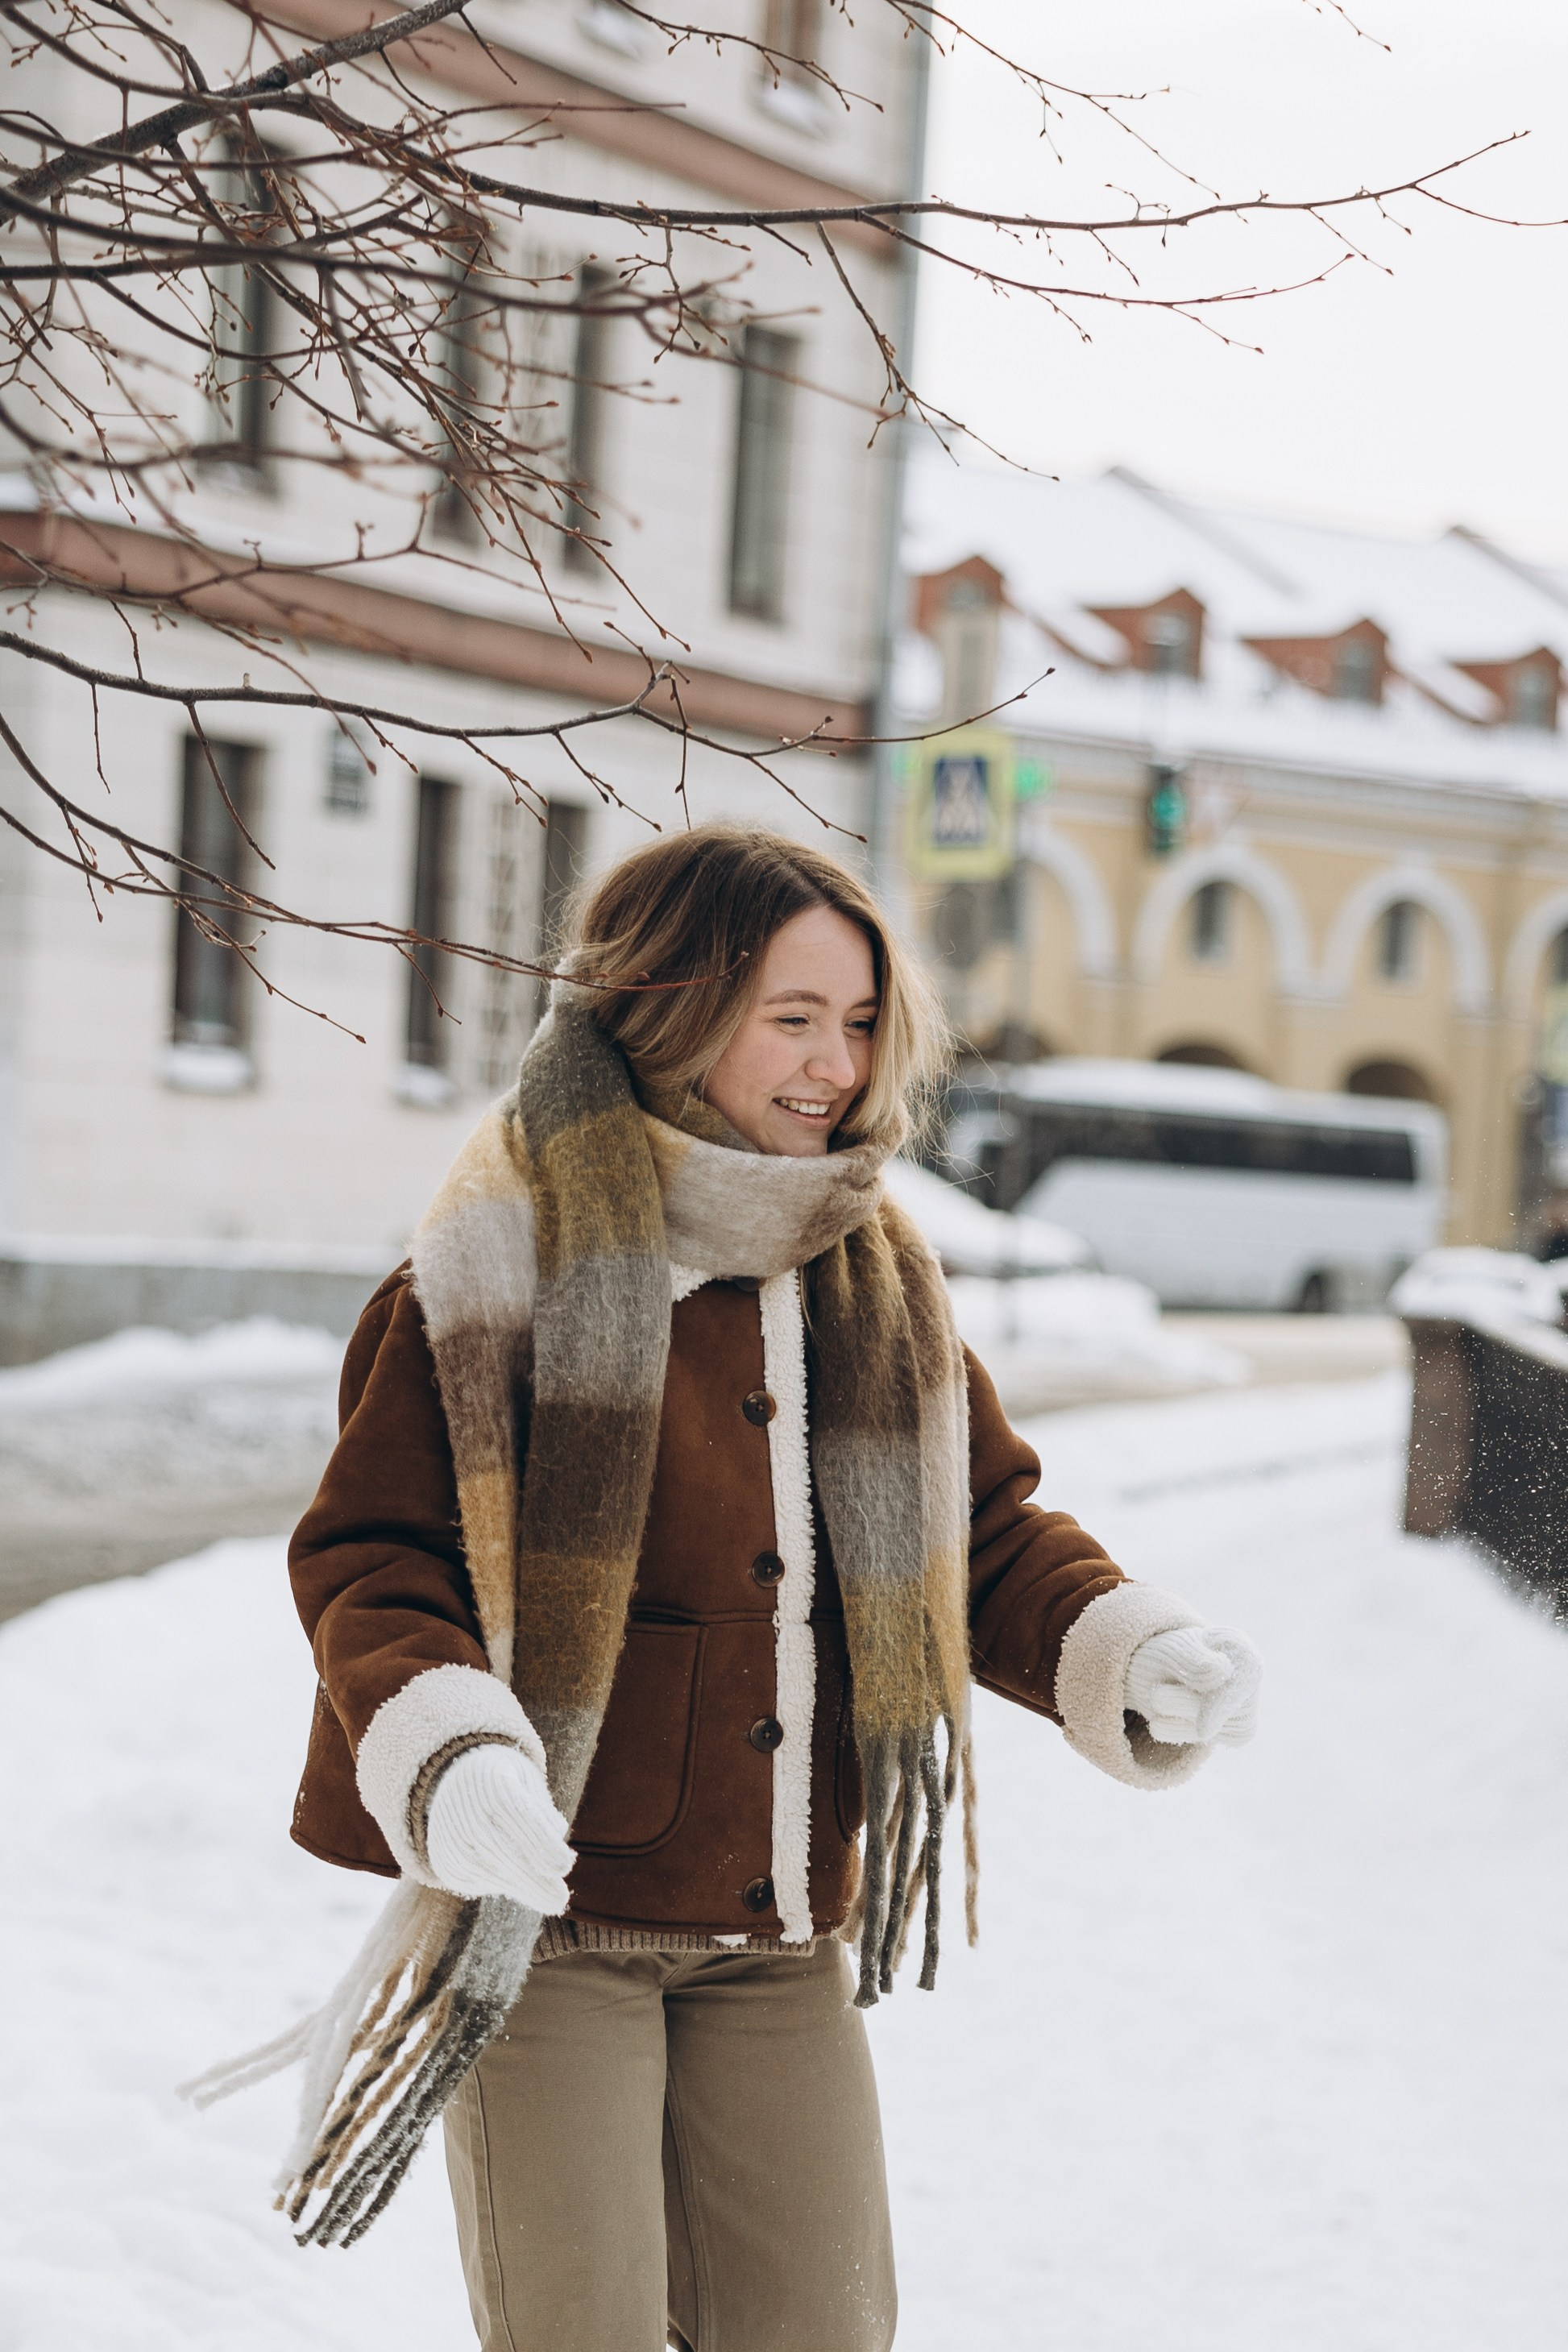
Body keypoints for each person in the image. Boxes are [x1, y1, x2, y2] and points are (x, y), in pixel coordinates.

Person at [282, 824, 1261, 2349]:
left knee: (819, 2330)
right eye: (790, 1017)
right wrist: (448, 1745)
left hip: (778, 1927)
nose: (834, 1065)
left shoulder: (869, 1275)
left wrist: (1122, 1642)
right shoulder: (489, 1266)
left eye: (859, 1021)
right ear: (669, 1011)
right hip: (550, 1924)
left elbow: (979, 1533)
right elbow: (375, 1555)